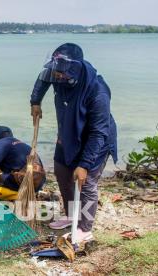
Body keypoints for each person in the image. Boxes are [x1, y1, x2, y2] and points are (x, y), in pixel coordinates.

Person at [30, 43, 117, 243]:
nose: (57, 76)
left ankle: (84, 229)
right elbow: (43, 78)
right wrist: (35, 102)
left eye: (61, 73)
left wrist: (85, 165)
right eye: (55, 71)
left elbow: (98, 132)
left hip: (95, 140)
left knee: (85, 184)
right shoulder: (57, 72)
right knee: (62, 172)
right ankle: (71, 215)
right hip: (68, 134)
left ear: (75, 68)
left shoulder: (98, 92)